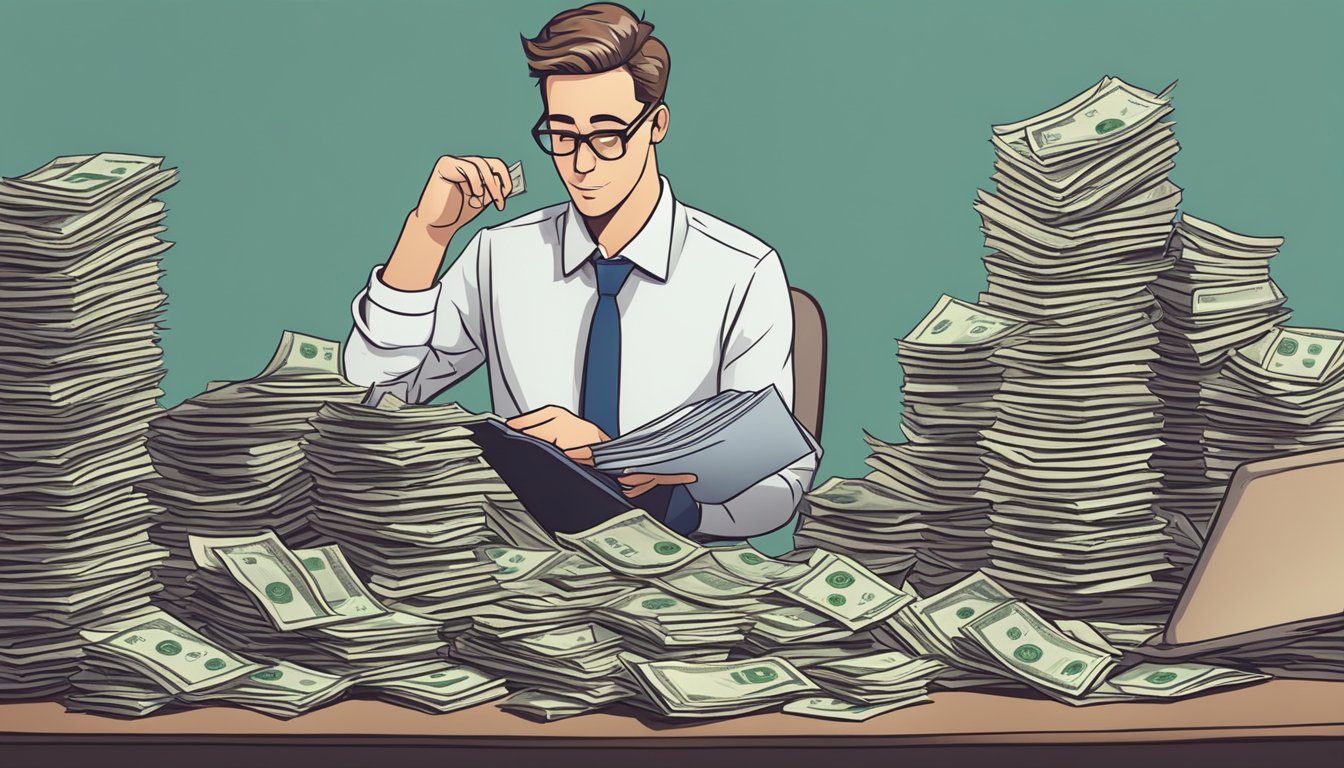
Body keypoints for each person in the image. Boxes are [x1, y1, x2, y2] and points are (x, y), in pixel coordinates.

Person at [344, 2, 820, 541]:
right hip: (528, 571)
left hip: (683, 569)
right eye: (562, 135)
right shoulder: (501, 256)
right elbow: (368, 404)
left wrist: (626, 474)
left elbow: (779, 482)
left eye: (607, 133)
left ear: (656, 124)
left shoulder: (742, 271)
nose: (582, 163)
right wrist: (424, 238)